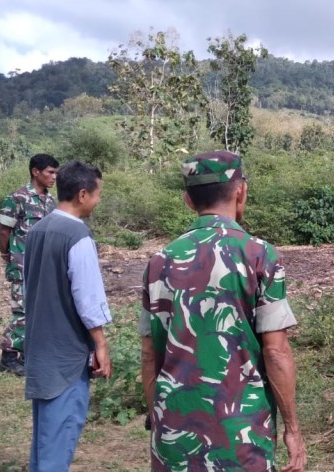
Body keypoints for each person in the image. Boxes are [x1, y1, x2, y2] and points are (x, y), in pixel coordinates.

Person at [142, 151, 306, 471]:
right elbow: (275, 352)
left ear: (188, 200)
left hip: (174, 434)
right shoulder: (260, 255)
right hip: (242, 437)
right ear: (241, 191)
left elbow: (149, 356)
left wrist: (158, 418)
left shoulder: (160, 261)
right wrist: (292, 429)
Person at [23, 160, 112, 471]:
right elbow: (88, 297)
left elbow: (29, 286)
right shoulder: (77, 235)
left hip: (40, 348)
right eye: (98, 195)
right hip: (67, 355)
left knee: (45, 439)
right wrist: (101, 344)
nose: (98, 202)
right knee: (58, 439)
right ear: (83, 194)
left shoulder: (37, 230)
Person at [0, 153, 59, 376]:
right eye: (50, 172)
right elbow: (3, 231)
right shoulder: (17, 198)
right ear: (35, 172)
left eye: (56, 173)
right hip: (22, 266)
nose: (54, 177)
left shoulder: (50, 202)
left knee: (39, 313)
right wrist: (8, 255)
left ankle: (28, 356)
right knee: (22, 312)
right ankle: (9, 357)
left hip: (43, 268)